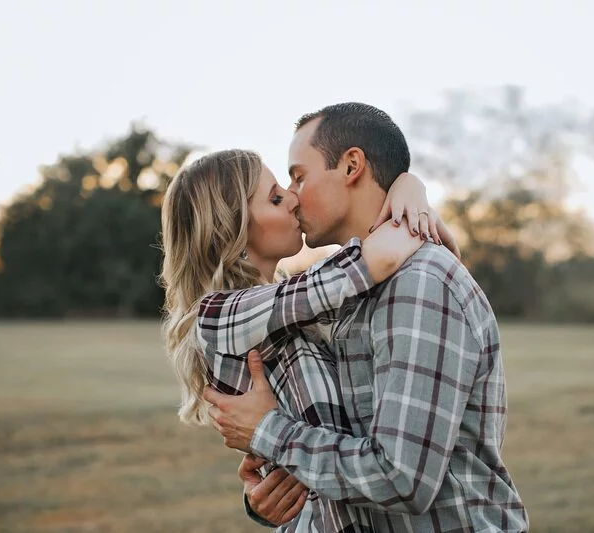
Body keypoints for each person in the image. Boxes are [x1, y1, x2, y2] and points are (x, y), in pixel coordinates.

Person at [203, 103, 529, 532]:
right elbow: (332, 435)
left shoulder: (419, 283)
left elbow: (402, 478)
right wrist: (268, 489)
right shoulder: (335, 288)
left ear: (352, 165)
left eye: (299, 176)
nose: (293, 195)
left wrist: (267, 432)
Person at [160, 148, 455, 531]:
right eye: (276, 197)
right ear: (231, 227)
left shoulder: (282, 308)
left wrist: (410, 187)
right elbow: (371, 264)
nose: (294, 199)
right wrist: (409, 194)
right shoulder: (219, 317)